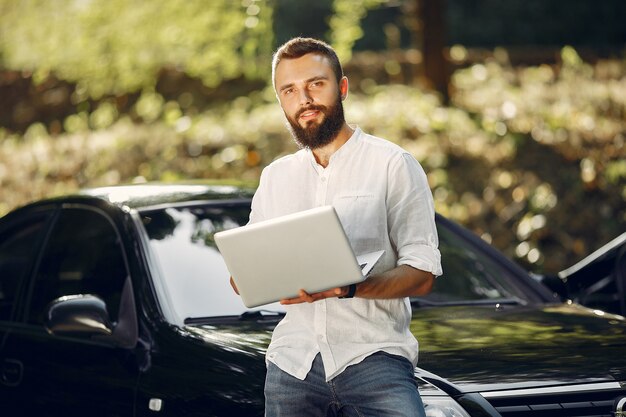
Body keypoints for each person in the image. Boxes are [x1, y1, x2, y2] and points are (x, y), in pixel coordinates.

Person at [232, 37, 442, 417]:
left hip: (375, 360)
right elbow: (246, 275)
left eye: (316, 84)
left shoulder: (392, 164)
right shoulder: (275, 177)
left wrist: (349, 288)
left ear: (341, 87)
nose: (304, 99)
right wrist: (248, 277)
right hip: (292, 365)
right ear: (280, 101)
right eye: (290, 90)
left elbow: (423, 274)